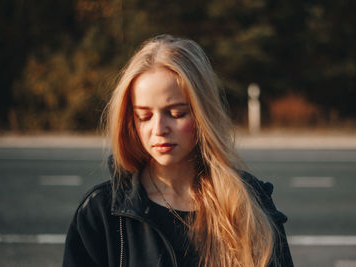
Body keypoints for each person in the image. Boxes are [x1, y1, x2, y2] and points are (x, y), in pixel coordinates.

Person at [63, 35, 293, 267]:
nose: (159, 129)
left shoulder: (250, 201)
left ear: (203, 113)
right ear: (130, 120)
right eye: (144, 116)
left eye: (176, 113)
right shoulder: (101, 212)